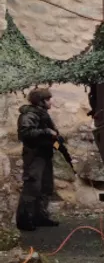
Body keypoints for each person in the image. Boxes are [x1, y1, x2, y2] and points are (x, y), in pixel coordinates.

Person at [16, 89, 61, 231]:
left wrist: (57, 140)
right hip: (34, 155)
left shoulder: (42, 113)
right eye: (49, 99)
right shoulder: (29, 114)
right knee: (32, 186)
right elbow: (25, 133)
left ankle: (39, 217)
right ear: (41, 101)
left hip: (44, 153)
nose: (51, 102)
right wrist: (47, 132)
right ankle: (24, 220)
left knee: (46, 186)